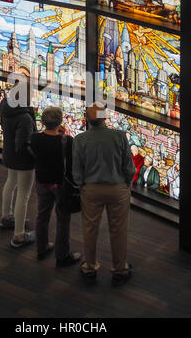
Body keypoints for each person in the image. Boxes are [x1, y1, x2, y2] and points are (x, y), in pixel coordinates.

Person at [72, 102, 135, 286]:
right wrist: (127, 184)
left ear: (89, 119)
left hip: (91, 189)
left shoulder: (80, 139)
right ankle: (120, 269)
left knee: (90, 229)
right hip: (118, 188)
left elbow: (77, 171)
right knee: (119, 230)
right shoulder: (119, 136)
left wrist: (82, 185)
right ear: (104, 117)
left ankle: (89, 268)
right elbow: (129, 167)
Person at [30, 106, 81, 267]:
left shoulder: (35, 138)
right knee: (63, 219)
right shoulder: (67, 140)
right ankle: (62, 255)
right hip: (60, 184)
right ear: (60, 122)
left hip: (41, 182)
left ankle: (41, 248)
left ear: (43, 122)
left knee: (42, 216)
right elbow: (71, 164)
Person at [0, 93, 36, 248]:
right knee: (24, 195)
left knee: (10, 182)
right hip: (23, 161)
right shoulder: (24, 118)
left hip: (9, 153)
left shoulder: (5, 106)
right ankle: (19, 235)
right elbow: (24, 144)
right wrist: (37, 156)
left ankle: (6, 216)